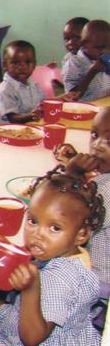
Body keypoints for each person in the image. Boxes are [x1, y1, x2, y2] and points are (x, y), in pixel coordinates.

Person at [0, 168, 105, 346]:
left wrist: (30, 289)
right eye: (33, 221)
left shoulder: (58, 278)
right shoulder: (76, 254)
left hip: (40, 337)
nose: (37, 235)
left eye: (55, 228)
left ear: (81, 235)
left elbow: (33, 338)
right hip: (72, 330)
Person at [58, 106, 110, 286]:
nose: (96, 146)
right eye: (95, 135)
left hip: (96, 281)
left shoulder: (104, 189)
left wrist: (71, 174)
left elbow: (64, 220)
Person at [0, 40, 45, 124]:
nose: (22, 67)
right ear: (5, 65)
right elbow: (12, 118)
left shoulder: (34, 85)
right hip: (10, 130)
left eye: (27, 62)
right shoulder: (4, 91)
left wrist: (59, 99)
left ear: (34, 65)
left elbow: (43, 103)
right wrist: (31, 116)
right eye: (16, 63)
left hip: (32, 125)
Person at [63, 19, 110, 101]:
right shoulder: (74, 64)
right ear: (83, 44)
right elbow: (73, 96)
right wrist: (92, 72)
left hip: (104, 103)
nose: (106, 51)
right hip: (85, 106)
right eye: (100, 47)